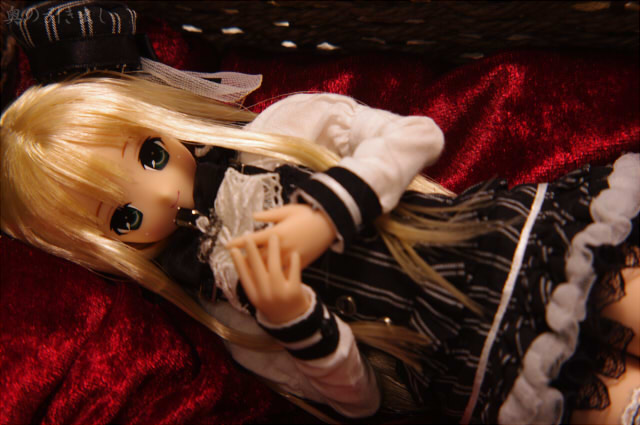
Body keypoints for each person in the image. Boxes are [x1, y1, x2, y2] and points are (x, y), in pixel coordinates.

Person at [1, 72, 638, 424]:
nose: (163, 195)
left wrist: (325, 213)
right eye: (125, 216)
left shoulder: (281, 131)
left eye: (148, 155)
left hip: (502, 246)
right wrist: (295, 318)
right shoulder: (224, 310)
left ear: (158, 123)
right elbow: (360, 400)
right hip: (469, 360)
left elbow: (416, 136)